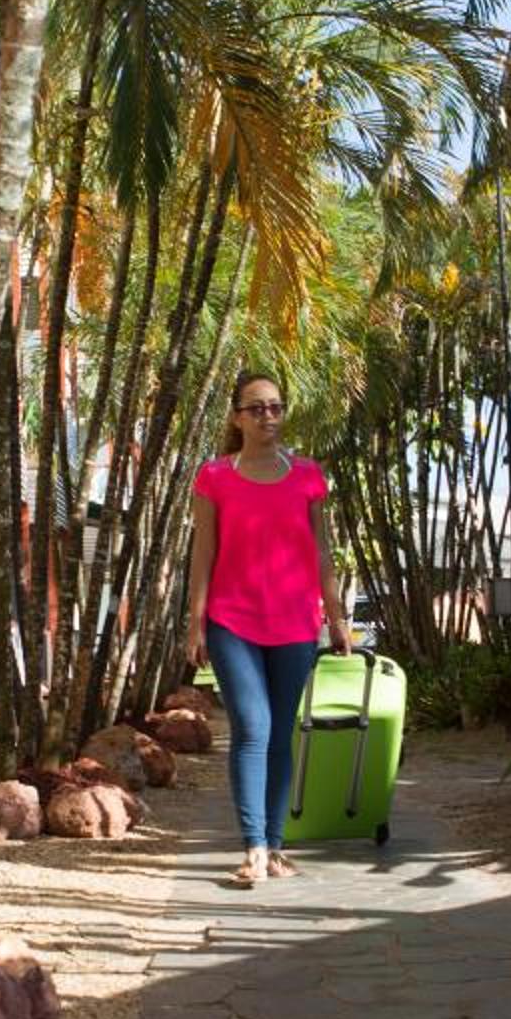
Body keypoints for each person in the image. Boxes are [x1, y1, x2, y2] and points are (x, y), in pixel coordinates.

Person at [186, 368, 352, 888]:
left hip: (296, 622)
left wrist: (337, 618)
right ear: (237, 417)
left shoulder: (307, 475)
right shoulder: (215, 477)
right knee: (253, 728)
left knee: (281, 734)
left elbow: (322, 552)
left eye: (276, 407)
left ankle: (275, 847)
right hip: (232, 621)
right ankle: (254, 847)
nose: (268, 416)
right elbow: (203, 555)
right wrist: (195, 623)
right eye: (256, 408)